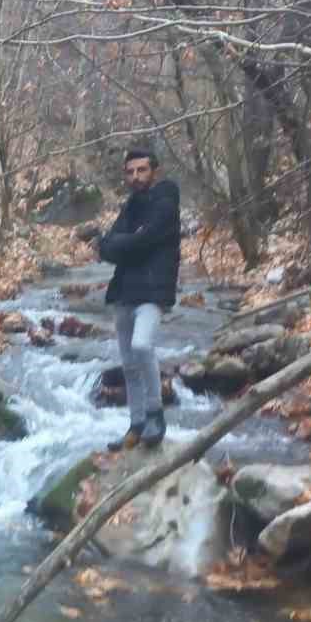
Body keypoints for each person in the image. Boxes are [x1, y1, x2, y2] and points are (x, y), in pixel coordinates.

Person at [99, 149, 180, 450]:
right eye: (130, 172)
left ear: (153, 172)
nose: (135, 177)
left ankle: (156, 414)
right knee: (129, 365)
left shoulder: (166, 199)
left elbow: (142, 240)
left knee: (142, 345)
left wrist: (124, 243)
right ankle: (136, 425)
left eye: (141, 170)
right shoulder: (130, 207)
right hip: (124, 293)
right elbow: (106, 248)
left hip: (153, 291)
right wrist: (123, 243)